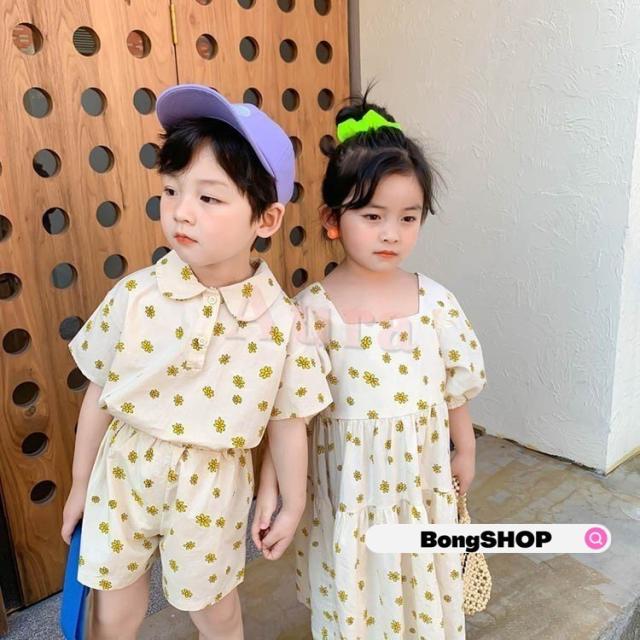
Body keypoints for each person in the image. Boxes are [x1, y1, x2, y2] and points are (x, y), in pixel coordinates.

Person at [61, 84, 332, 640]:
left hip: (212, 488)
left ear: (266, 219)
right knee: (113, 610)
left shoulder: (283, 323)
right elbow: (98, 395)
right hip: (123, 473)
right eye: (171, 190)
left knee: (215, 612)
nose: (181, 211)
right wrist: (79, 485)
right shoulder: (136, 295)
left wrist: (291, 501)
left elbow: (288, 422)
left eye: (209, 198)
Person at [254, 92, 487, 638]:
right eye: (372, 215)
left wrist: (466, 448)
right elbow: (290, 414)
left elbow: (454, 387)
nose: (391, 233)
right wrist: (274, 490)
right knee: (357, 585)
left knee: (420, 575)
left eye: (408, 218)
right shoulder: (310, 312)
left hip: (420, 478)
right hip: (349, 487)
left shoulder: (436, 302)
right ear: (333, 219)